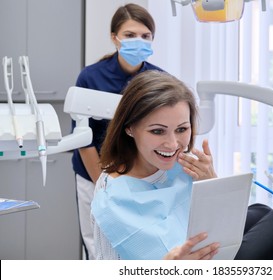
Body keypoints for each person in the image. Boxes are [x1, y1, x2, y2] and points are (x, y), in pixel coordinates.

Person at [91, 70, 273, 260]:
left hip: (205, 249)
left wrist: (211, 182)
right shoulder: (111, 196)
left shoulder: (183, 166)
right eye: (157, 131)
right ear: (129, 129)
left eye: (182, 129)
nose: (173, 144)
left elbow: (219, 218)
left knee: (261, 211)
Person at [71, 3, 164, 260]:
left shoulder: (158, 80)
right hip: (94, 174)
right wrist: (103, 183)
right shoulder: (90, 78)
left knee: (136, 248)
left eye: (145, 36)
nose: (139, 41)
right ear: (114, 38)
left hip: (138, 177)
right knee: (97, 245)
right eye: (130, 35)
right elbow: (84, 138)